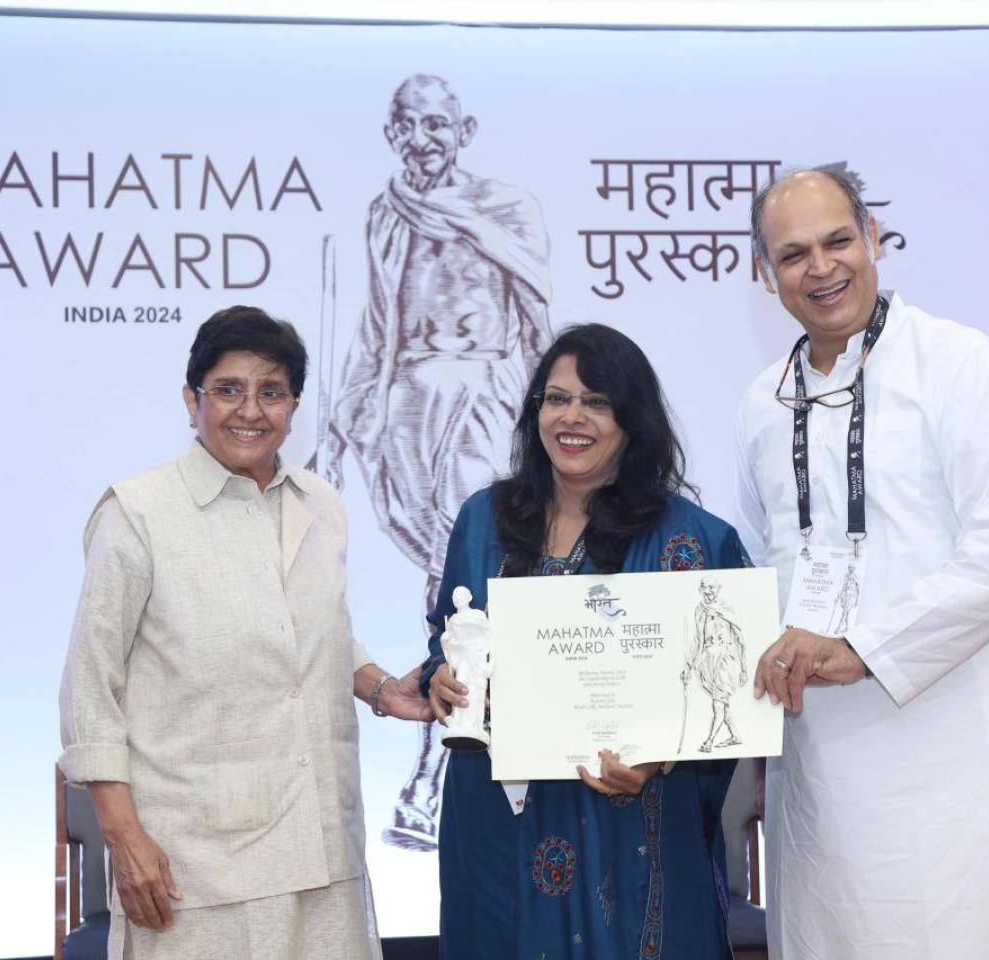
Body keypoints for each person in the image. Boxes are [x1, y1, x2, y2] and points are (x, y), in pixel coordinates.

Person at [735, 169, 989, 959]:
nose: (821, 268)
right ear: (763, 272)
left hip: (955, 763)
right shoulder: (763, 401)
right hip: (819, 775)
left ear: (875, 239)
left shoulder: (959, 364)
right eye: (792, 253)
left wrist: (864, 649)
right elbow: (758, 576)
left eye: (838, 241)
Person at [58, 306, 431, 960]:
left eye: (272, 392)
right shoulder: (138, 513)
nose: (250, 411)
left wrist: (378, 687)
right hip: (195, 865)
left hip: (321, 841)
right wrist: (124, 838)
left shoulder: (322, 505)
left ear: (294, 405)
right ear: (191, 399)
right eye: (228, 390)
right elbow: (90, 689)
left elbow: (310, 633)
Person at [425, 323, 749, 959]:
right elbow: (450, 640)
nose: (572, 417)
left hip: (632, 829)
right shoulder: (482, 522)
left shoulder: (696, 543)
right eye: (556, 398)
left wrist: (663, 757)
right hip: (505, 827)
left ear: (633, 419)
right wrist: (440, 677)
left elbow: (729, 698)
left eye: (597, 402)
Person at [327, 72, 553, 850]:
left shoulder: (509, 209)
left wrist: (545, 432)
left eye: (436, 125)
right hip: (409, 412)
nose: (422, 140)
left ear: (464, 130)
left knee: (470, 584)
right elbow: (379, 327)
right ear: (392, 135)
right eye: (407, 127)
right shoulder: (384, 215)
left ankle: (440, 772)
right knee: (446, 578)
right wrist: (344, 418)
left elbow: (534, 329)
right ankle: (455, 761)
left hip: (484, 402)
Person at [686, 577, 747, 753]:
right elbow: (698, 639)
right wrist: (689, 666)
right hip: (707, 661)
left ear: (718, 588)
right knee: (722, 701)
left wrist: (743, 669)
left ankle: (709, 741)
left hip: (726, 660)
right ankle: (735, 736)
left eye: (712, 587)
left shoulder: (727, 608)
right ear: (701, 589)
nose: (709, 591)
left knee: (718, 703)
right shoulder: (699, 610)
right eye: (705, 587)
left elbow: (740, 640)